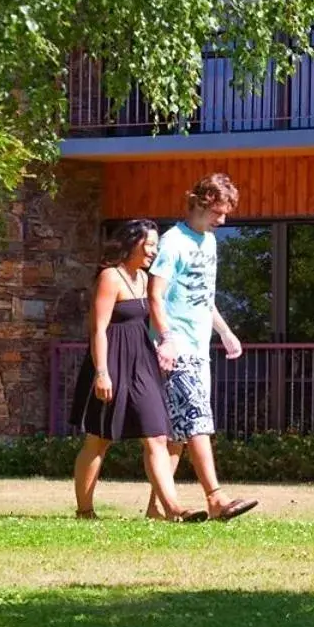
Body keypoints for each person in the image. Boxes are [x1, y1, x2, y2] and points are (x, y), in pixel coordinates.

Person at [69, 219, 202, 522]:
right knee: (98, 439)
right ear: (131, 243)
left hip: (142, 362)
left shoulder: (145, 278)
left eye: (156, 245)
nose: (154, 251)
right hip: (111, 361)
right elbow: (98, 330)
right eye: (149, 244)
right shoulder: (110, 277)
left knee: (157, 434)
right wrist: (102, 372)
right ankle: (85, 510)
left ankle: (171, 508)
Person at [147, 173, 259, 522]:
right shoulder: (172, 242)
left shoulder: (208, 242)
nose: (222, 221)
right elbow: (155, 295)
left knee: (179, 432)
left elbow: (203, 298)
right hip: (175, 347)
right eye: (218, 213)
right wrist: (166, 339)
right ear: (199, 203)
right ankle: (216, 497)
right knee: (196, 420)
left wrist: (225, 333)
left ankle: (158, 509)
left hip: (199, 347)